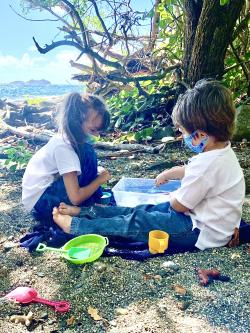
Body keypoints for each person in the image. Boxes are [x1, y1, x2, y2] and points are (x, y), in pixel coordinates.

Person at [52, 80, 245, 252]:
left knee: (136, 222)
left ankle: (77, 227)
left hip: (198, 231)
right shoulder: (221, 152)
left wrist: (172, 195)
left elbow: (178, 205)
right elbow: (194, 172)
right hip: (205, 221)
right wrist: (170, 173)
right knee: (142, 210)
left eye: (184, 132)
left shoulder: (207, 165)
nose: (182, 136)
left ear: (201, 135)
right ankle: (85, 212)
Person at [22, 93, 111, 221]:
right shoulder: (64, 148)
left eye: (99, 131)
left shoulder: (64, 138)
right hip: (41, 203)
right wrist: (99, 180)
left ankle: (91, 201)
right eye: (93, 130)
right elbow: (75, 198)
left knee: (88, 157)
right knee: (89, 154)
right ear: (76, 122)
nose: (97, 135)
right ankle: (88, 205)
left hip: (41, 194)